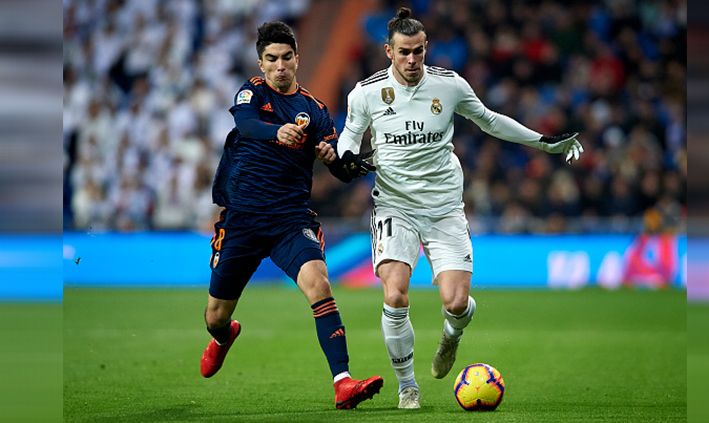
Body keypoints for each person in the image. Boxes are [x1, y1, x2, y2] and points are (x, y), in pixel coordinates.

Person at [337, 7, 584, 409]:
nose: (412, 60)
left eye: (418, 51)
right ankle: (407, 386)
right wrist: (347, 157)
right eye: (404, 52)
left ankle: (451, 336)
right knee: (395, 294)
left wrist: (543, 142)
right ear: (388, 51)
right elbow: (349, 135)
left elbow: (489, 120)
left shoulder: (449, 86)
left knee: (455, 303)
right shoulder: (365, 92)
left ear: (426, 48)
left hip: (444, 208)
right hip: (394, 206)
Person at [199, 21, 381, 410]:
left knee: (320, 285)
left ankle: (343, 382)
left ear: (296, 59)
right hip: (242, 221)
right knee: (214, 316)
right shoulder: (251, 93)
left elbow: (339, 170)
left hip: (290, 220)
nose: (279, 66)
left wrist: (336, 160)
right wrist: (276, 132)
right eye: (271, 59)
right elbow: (246, 125)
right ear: (261, 63)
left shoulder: (314, 111)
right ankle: (222, 336)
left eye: (286, 58)